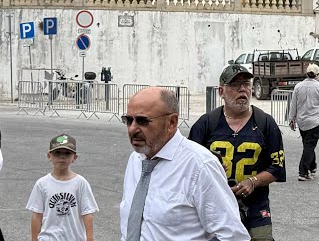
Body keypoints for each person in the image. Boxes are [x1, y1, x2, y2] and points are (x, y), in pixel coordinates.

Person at [120, 87, 249, 241]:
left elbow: (233, 236)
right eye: (128, 120)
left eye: (142, 121)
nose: (132, 129)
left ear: (171, 122)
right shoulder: (135, 160)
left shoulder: (200, 166)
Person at [189, 64, 286, 240]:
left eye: (246, 84)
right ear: (221, 91)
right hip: (214, 207)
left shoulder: (266, 123)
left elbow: (277, 168)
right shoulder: (205, 125)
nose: (242, 89)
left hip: (256, 208)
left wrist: (253, 181)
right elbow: (188, 169)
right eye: (235, 85)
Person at [27, 134, 97, 241]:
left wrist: (90, 239)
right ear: (49, 156)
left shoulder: (80, 183)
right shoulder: (42, 184)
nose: (62, 157)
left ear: (75, 157)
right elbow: (37, 215)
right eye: (57, 153)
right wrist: (34, 239)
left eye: (67, 153)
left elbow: (87, 214)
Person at [288, 63, 319, 181]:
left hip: (302, 121)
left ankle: (312, 167)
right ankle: (303, 171)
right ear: (318, 74)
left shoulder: (298, 86)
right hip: (315, 121)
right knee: (309, 146)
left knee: (307, 145)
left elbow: (293, 104)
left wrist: (291, 118)